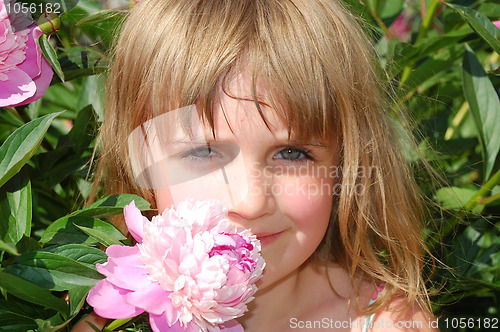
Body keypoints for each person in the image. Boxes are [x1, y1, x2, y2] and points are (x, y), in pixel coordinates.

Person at [73, 0, 437, 331]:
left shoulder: (388, 324)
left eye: (292, 153)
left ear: (345, 163)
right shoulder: (110, 323)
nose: (250, 202)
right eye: (204, 153)